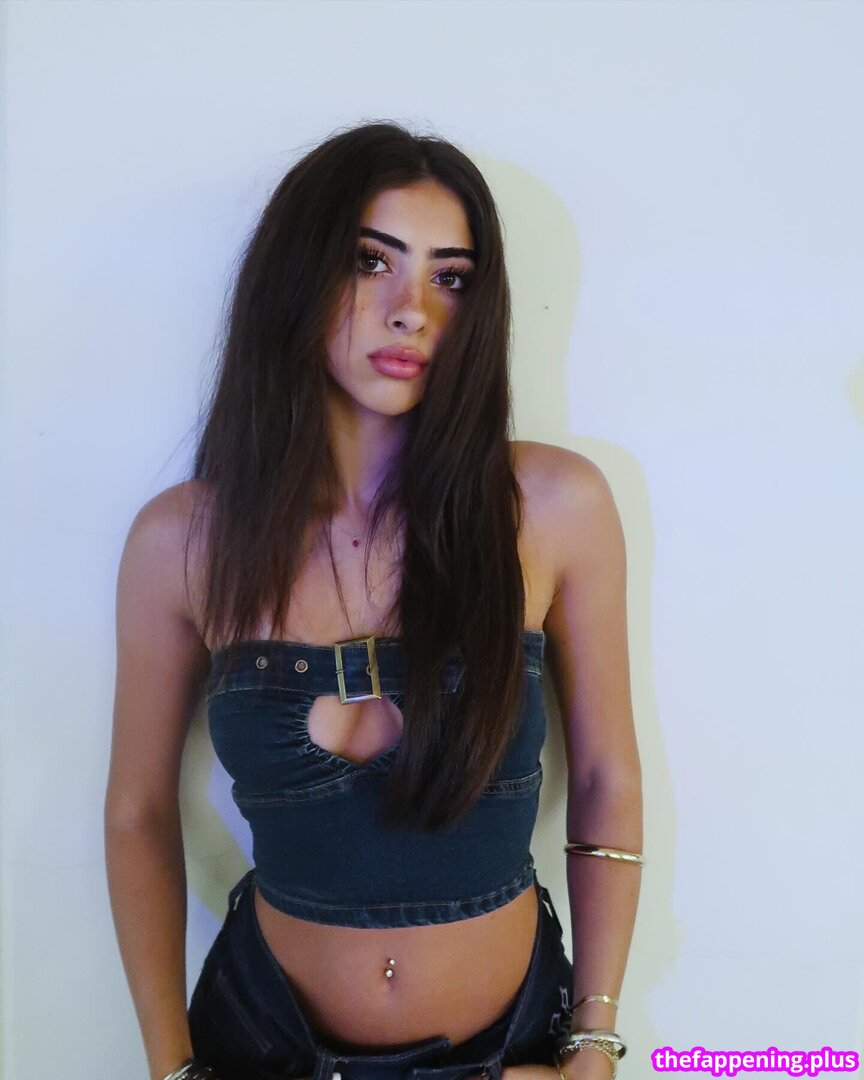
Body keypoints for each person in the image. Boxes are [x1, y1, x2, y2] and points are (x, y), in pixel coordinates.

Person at [104, 120, 643, 1080]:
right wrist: (172, 1070)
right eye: (371, 261)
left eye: (451, 277)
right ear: (298, 274)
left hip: (509, 1052)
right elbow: (138, 811)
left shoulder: (553, 507)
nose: (412, 311)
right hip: (262, 1046)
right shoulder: (181, 541)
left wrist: (594, 1047)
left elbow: (605, 777)